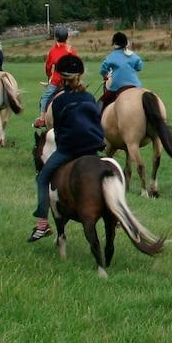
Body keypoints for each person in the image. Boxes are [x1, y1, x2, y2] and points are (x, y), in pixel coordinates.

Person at [29, 53, 106, 242]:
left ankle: (42, 225)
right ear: (80, 75)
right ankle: (116, 213)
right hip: (92, 150)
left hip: (69, 150)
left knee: (42, 178)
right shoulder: (89, 97)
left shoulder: (59, 101)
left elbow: (59, 129)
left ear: (61, 78)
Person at [33, 26, 76, 128]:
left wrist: (49, 77)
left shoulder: (53, 51)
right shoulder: (71, 50)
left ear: (56, 38)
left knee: (44, 98)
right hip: (71, 82)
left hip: (57, 82)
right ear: (66, 37)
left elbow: (48, 67)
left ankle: (42, 119)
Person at [98, 32, 143, 111]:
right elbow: (139, 67)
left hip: (117, 86)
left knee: (101, 101)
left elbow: (103, 70)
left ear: (114, 44)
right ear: (126, 43)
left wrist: (105, 76)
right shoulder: (133, 55)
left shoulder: (111, 56)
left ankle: (96, 120)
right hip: (135, 85)